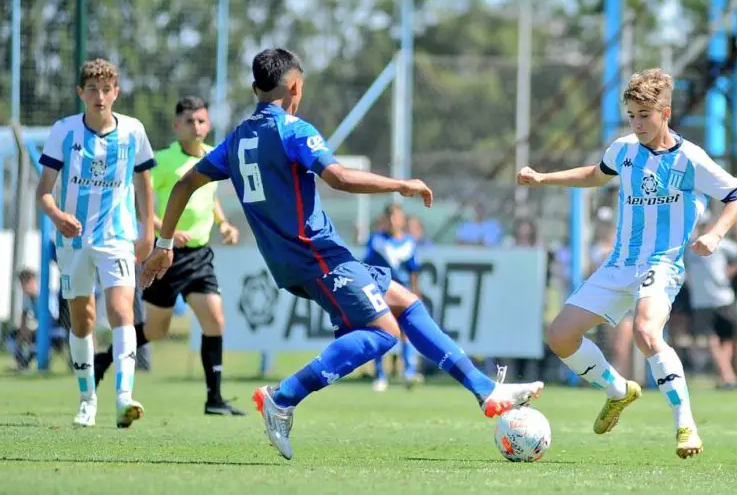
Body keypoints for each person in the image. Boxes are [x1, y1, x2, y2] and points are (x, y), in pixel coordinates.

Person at [141, 48, 544, 460]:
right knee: (385, 333)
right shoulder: (293, 130)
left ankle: (484, 390)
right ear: (295, 86)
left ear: (254, 88)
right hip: (316, 256)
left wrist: (164, 245)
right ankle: (283, 396)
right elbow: (340, 178)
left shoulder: (238, 138)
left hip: (300, 259)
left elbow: (185, 184)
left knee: (405, 303)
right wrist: (399, 185)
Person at [517, 68, 737, 459]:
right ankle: (618, 390)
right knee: (559, 335)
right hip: (619, 263)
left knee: (645, 330)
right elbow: (596, 174)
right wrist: (543, 178)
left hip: (663, 263)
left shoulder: (690, 159)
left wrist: (716, 234)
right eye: (632, 115)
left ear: (666, 114)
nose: (638, 123)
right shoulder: (623, 149)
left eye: (645, 114)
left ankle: (685, 424)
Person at [92, 96, 246, 416]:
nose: (197, 126)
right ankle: (104, 359)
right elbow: (140, 204)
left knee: (214, 319)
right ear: (177, 127)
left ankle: (214, 399)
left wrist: (224, 223)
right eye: (189, 121)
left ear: (209, 124)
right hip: (165, 255)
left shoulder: (214, 157)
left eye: (202, 120)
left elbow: (210, 195)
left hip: (200, 256)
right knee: (156, 331)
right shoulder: (162, 162)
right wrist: (167, 233)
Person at [36, 58, 155, 428]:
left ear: (116, 92)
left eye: (106, 90)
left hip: (117, 237)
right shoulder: (64, 131)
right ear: (81, 93)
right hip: (73, 242)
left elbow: (144, 184)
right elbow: (43, 192)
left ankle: (123, 398)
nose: (100, 97)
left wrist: (147, 231)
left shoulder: (133, 131)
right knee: (83, 321)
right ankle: (88, 399)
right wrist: (57, 216)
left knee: (123, 311)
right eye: (92, 90)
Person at [364, 203, 421, 391]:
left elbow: (413, 271)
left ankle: (409, 373)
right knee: (381, 331)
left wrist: (415, 292)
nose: (391, 221)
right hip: (381, 292)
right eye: (388, 217)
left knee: (406, 332)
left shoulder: (409, 243)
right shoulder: (377, 241)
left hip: (403, 292)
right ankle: (380, 375)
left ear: (402, 220)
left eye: (395, 217)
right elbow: (367, 265)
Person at [684, 220, 737, 389]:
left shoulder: (723, 244)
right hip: (701, 301)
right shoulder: (689, 246)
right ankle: (728, 376)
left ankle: (725, 377)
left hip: (723, 297)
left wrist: (728, 274)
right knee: (711, 339)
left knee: (727, 339)